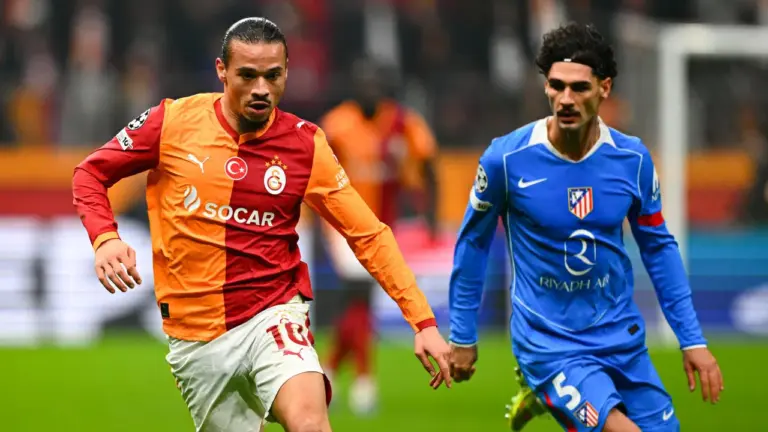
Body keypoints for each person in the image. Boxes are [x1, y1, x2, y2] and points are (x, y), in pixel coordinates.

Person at [71, 17, 451, 432]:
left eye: (273, 76)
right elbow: (89, 173)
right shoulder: (172, 122)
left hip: (274, 314)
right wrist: (105, 237)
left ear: (287, 72)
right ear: (222, 71)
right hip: (196, 335)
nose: (261, 89)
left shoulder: (305, 145)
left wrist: (424, 322)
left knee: (310, 423)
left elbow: (369, 235)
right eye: (247, 75)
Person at [447, 22, 724, 432]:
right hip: (548, 342)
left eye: (579, 88)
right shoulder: (506, 159)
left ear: (604, 88)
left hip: (620, 335)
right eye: (556, 86)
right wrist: (462, 334)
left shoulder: (632, 160)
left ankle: (545, 398)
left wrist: (692, 339)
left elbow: (657, 247)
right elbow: (473, 242)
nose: (565, 99)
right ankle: (546, 385)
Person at [317, 57, 439, 415]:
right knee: (360, 295)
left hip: (382, 228)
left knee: (358, 302)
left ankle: (328, 372)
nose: (369, 91)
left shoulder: (402, 123)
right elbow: (313, 172)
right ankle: (364, 382)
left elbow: (429, 165)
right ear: (353, 89)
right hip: (341, 226)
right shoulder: (336, 125)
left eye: (375, 85)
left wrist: (431, 216)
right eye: (363, 85)